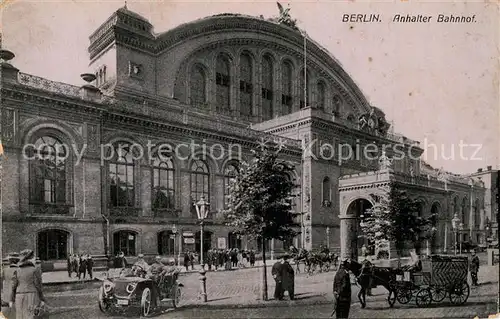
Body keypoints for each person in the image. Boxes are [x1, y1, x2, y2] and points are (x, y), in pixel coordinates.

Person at [9, 249, 46, 319]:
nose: (34, 259)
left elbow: (13, 286)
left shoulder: (17, 270)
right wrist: (42, 298)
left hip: (19, 295)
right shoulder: (34, 269)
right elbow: (38, 285)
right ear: (29, 258)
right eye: (33, 257)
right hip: (31, 295)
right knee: (30, 315)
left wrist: (11, 299)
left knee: (20, 316)